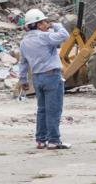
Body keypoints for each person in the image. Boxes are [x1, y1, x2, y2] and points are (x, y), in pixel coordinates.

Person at [18, 8, 72, 150]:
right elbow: (65, 35)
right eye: (44, 22)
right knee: (53, 110)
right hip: (51, 76)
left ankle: (41, 140)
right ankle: (54, 140)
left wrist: (23, 80)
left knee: (42, 109)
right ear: (38, 24)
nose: (46, 24)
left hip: (37, 78)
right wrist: (55, 25)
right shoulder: (45, 36)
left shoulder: (24, 42)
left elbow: (23, 63)